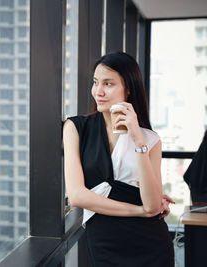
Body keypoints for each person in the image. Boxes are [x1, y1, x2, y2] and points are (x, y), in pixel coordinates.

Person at [63, 52, 175, 266]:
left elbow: (152, 205)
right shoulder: (76, 128)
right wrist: (139, 211)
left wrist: (137, 140)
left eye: (108, 83)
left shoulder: (150, 139)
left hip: (150, 244)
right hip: (105, 241)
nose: (99, 91)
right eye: (96, 83)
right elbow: (76, 196)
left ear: (129, 88)